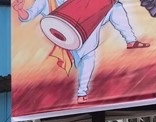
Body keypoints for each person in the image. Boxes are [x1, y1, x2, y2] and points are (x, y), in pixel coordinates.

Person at [14, 0, 148, 104]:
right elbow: (28, 16)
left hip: (91, 24)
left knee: (115, 7)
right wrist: (20, 10)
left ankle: (131, 40)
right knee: (86, 59)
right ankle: (82, 94)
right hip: (66, 33)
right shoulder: (45, 1)